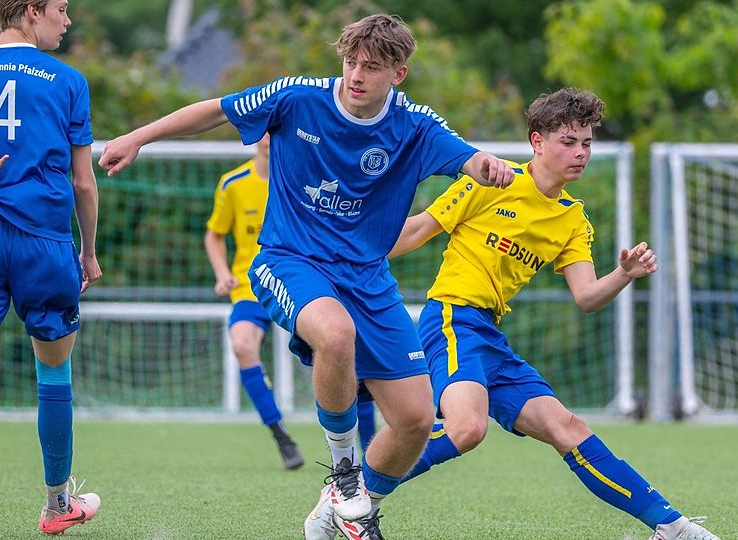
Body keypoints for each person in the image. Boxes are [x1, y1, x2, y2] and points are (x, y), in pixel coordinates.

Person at [99, 13, 514, 539]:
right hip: (288, 261)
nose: (356, 75)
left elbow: (468, 158)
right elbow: (216, 111)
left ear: (398, 74)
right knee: (335, 334)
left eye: (371, 67)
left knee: (414, 420)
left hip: (368, 279)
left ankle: (341, 513)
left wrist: (488, 166)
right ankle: (343, 472)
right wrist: (139, 136)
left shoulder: (414, 124)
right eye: (351, 62)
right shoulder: (297, 97)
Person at [387, 88, 721, 540]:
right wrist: (348, 252)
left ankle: (672, 527)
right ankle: (355, 489)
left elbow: (587, 297)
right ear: (537, 141)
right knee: (466, 428)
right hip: (450, 317)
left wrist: (624, 274)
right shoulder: (490, 180)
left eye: (586, 143)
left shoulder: (572, 219)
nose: (580, 152)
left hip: (488, 335)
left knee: (568, 428)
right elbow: (414, 232)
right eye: (568, 141)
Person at [0, 0, 102, 535]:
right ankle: (58, 505)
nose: (68, 19)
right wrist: (88, 251)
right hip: (44, 241)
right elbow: (83, 182)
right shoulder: (67, 80)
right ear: (33, 11)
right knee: (54, 372)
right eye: (61, 8)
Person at [204, 133, 305, 470]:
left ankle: (354, 441)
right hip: (251, 287)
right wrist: (222, 273)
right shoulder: (233, 184)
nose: (271, 139)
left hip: (299, 285)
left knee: (335, 349)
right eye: (265, 131)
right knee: (242, 345)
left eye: (278, 131)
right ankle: (280, 434)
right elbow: (215, 234)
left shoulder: (304, 178)